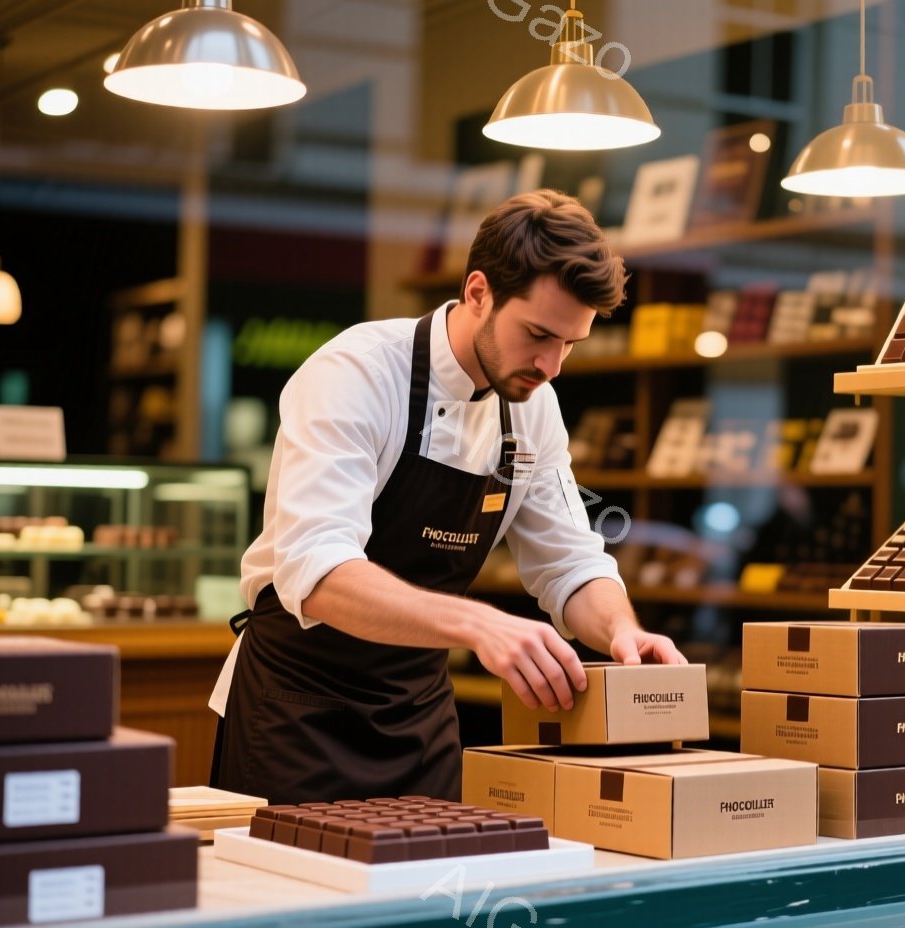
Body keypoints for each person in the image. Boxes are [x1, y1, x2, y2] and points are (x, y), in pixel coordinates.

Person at [209, 190, 687, 803]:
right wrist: (480, 624)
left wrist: (622, 631)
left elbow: (569, 562)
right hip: (296, 714)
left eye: (571, 343)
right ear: (478, 292)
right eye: (538, 334)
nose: (552, 365)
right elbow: (317, 570)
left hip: (418, 720)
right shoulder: (357, 373)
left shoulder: (533, 407)